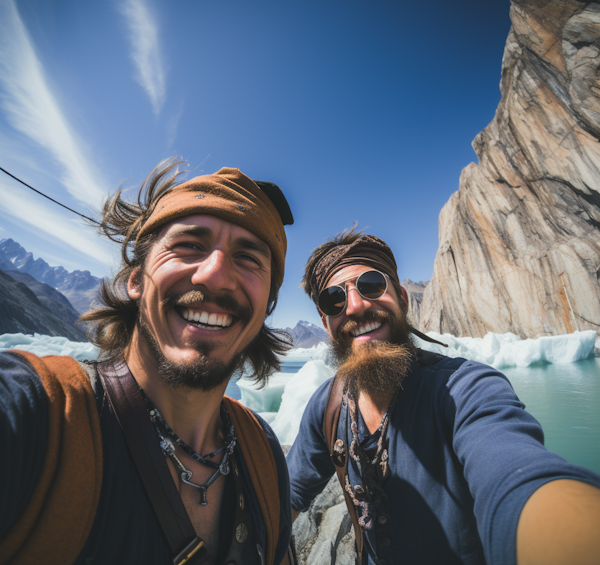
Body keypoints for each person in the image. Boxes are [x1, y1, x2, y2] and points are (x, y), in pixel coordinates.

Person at [0, 162, 295, 565]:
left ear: (266, 308)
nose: (215, 275)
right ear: (135, 279)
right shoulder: (42, 415)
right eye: (189, 244)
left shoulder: (261, 452)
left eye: (248, 258)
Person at [286, 228, 600, 565]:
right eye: (335, 299)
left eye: (372, 285)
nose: (357, 306)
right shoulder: (327, 406)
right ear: (325, 321)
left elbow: (514, 474)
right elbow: (285, 498)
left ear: (403, 299)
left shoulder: (463, 387)